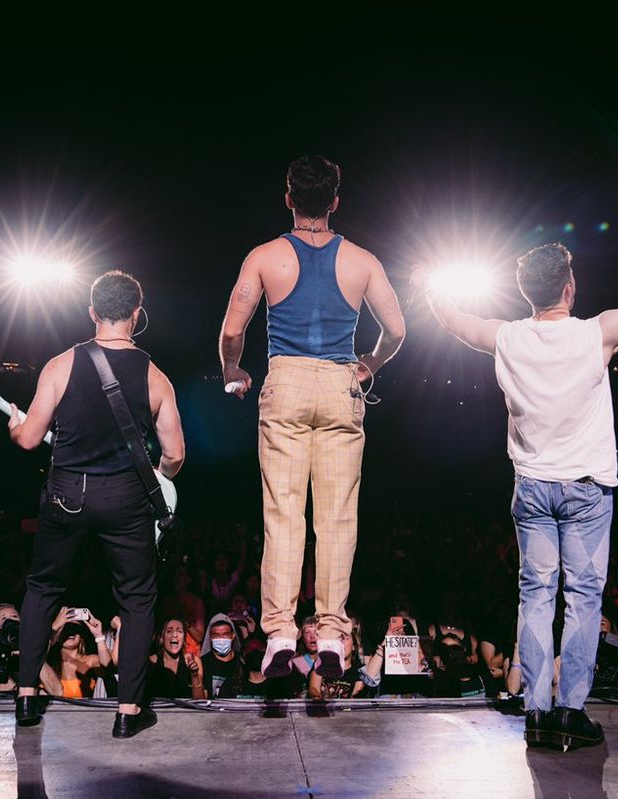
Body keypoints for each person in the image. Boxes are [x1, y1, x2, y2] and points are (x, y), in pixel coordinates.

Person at [414, 201, 618, 750]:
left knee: (535, 597)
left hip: (531, 490)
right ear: (569, 287)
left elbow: (452, 320)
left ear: (529, 293)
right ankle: (570, 710)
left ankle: (537, 711)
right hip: (587, 491)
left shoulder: (505, 336)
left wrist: (430, 287)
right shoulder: (598, 332)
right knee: (583, 600)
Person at [219, 154, 406, 680]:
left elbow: (234, 330)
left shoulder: (266, 256)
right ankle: (331, 635)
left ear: (288, 198)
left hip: (287, 381)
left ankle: (279, 636)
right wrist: (369, 363)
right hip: (340, 382)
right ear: (336, 201)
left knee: (283, 515)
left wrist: (232, 369)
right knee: (337, 517)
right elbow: (396, 331)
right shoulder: (362, 261)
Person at [7, 269, 185, 738]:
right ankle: (127, 711)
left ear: (92, 312)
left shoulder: (60, 364)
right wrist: (160, 482)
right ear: (136, 314)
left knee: (43, 588)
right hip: (125, 496)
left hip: (67, 491)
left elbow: (28, 438)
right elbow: (175, 454)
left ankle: (26, 698)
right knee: (137, 597)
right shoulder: (155, 375)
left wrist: (13, 424)